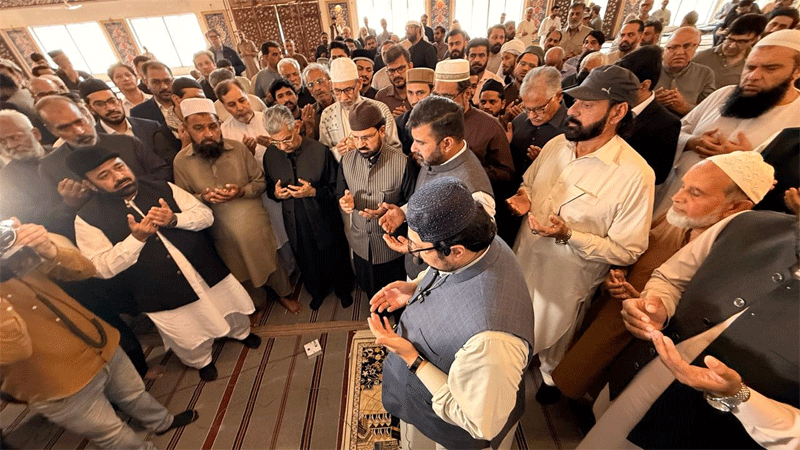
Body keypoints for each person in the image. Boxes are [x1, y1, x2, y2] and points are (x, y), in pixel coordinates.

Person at [554, 151, 771, 406]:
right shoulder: (677, 218)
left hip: (652, 348)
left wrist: (654, 306)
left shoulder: (732, 257)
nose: (678, 198)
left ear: (736, 208)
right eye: (683, 187)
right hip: (611, 315)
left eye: (695, 193)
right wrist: (619, 273)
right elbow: (633, 249)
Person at [580, 210, 796, 449]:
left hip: (713, 433)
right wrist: (658, 305)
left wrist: (737, 396)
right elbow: (671, 279)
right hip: (636, 381)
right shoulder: (746, 223)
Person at [507, 65, 655, 404]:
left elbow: (627, 250)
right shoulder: (558, 144)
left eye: (587, 105)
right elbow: (530, 182)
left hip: (566, 281)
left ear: (618, 112)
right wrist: (524, 196)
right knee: (515, 324)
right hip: (524, 258)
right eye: (575, 102)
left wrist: (569, 234)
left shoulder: (635, 175)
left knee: (555, 340)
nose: (572, 111)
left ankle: (548, 380)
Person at [69, 144, 261, 381]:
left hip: (203, 269)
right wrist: (136, 239)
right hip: (158, 290)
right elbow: (99, 268)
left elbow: (205, 216)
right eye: (104, 176)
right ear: (89, 185)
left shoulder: (161, 187)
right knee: (188, 330)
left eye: (119, 167)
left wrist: (174, 219)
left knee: (227, 304)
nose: (118, 177)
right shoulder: (87, 218)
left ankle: (241, 333)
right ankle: (202, 361)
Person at [0, 221, 199, 449]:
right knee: (112, 433)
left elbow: (85, 271)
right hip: (55, 381)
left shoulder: (12, 258)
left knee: (135, 394)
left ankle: (162, 422)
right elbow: (15, 349)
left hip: (99, 343)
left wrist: (48, 249)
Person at [369, 176, 534, 450]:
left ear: (455, 250)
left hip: (454, 432)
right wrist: (415, 285)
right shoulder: (481, 241)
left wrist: (412, 358)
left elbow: (480, 423)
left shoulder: (492, 342)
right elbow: (447, 269)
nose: (415, 255)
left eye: (418, 249)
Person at [171, 97, 299, 314]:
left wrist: (241, 191)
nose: (208, 133)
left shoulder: (238, 149)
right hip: (220, 231)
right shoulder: (181, 162)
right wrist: (204, 197)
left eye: (212, 126)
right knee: (238, 270)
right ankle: (255, 304)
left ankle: (283, 294)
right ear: (186, 130)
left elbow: (259, 182)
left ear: (219, 125)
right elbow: (183, 200)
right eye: (199, 128)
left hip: (254, 224)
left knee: (269, 261)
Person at [653, 29, 800, 217]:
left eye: (770, 68)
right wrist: (692, 142)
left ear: (796, 71)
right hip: (672, 194)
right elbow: (678, 130)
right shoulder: (724, 94)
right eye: (750, 67)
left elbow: (789, 188)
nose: (754, 76)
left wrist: (744, 161)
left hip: (725, 219)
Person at [378, 95, 495, 279]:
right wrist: (405, 212)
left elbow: (461, 262)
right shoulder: (437, 157)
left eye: (421, 142)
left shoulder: (475, 194)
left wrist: (417, 285)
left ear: (447, 143)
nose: (413, 148)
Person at [261, 105, 355, 310]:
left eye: (286, 139)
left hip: (324, 218)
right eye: (275, 141)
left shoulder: (319, 151)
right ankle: (317, 292)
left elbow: (336, 190)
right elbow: (269, 188)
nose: (282, 146)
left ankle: (343, 290)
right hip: (295, 222)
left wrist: (313, 192)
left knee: (334, 255)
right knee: (306, 259)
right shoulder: (270, 155)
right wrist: (276, 194)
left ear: (296, 126)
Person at [336, 102, 417, 298]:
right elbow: (341, 192)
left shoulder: (403, 162)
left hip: (390, 248)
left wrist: (393, 212)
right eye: (355, 138)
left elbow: (414, 204)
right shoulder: (346, 161)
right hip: (361, 246)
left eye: (366, 137)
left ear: (382, 131)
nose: (360, 144)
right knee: (370, 293)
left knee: (395, 295)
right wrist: (344, 201)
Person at [37, 95, 171, 203]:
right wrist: (70, 203)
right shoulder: (50, 167)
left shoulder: (127, 142)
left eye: (79, 121)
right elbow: (53, 216)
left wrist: (130, 185)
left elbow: (163, 172)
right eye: (65, 127)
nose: (79, 131)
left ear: (86, 113)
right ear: (51, 131)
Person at [616, 46, 680, 185]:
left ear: (644, 85)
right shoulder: (612, 105)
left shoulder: (667, 123)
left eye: (624, 84)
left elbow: (658, 174)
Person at [318, 57, 400, 162]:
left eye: (348, 90)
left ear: (359, 84)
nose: (343, 98)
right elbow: (324, 156)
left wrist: (368, 148)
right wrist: (338, 152)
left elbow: (396, 149)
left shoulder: (380, 109)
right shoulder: (327, 115)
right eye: (337, 91)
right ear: (331, 86)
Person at [0, 110, 68, 234]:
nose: (10, 145)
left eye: (14, 138)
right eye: (2, 142)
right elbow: (33, 219)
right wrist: (69, 204)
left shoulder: (66, 154)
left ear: (36, 134)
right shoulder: (5, 181)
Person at [79, 79, 162, 159]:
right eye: (100, 104)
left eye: (112, 101)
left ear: (119, 101)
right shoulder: (92, 142)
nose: (111, 108)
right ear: (89, 108)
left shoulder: (151, 127)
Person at [654, 26, 716, 117]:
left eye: (687, 46)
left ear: (696, 47)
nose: (680, 52)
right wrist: (652, 100)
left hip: (684, 126)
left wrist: (686, 107)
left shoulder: (705, 74)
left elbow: (708, 112)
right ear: (664, 50)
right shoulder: (650, 68)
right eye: (674, 47)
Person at [693, 14, 765, 88]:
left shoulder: (756, 64)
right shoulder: (701, 57)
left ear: (754, 39)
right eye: (730, 39)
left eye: (741, 42)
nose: (732, 46)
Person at [130, 61, 181, 131]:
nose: (164, 87)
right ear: (147, 83)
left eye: (167, 81)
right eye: (156, 82)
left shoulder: (187, 103)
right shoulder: (138, 113)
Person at [395, 67, 434, 155]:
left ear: (432, 92)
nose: (414, 99)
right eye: (410, 93)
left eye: (420, 93)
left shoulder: (442, 119)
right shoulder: (400, 123)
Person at [375, 44, 413, 116]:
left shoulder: (421, 94)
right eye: (391, 71)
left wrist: (408, 117)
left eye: (401, 68)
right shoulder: (381, 97)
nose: (396, 74)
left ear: (410, 66)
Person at [502, 45, 542, 113]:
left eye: (531, 66)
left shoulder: (541, 97)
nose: (525, 68)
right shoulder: (503, 92)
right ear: (516, 65)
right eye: (522, 63)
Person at [468, 38, 505, 105]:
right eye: (472, 55)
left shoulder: (497, 81)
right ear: (467, 57)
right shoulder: (459, 81)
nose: (476, 60)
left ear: (488, 57)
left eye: (481, 55)